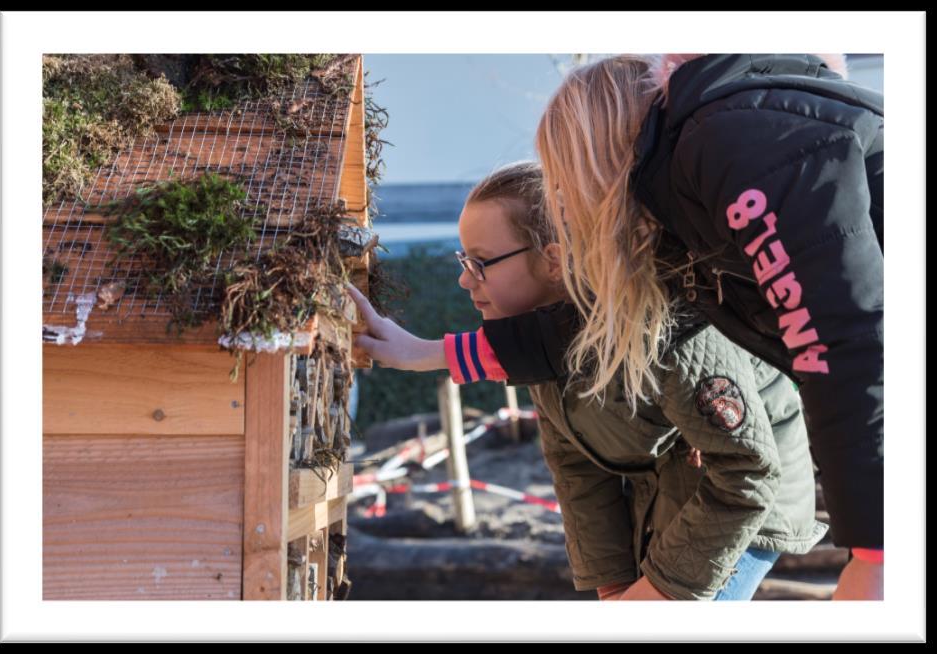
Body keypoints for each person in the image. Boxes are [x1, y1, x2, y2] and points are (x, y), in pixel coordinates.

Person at [353, 54, 883, 600]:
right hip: (685, 513)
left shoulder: (724, 166)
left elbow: (836, 357)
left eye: (568, 188)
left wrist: (874, 555)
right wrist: (612, 590)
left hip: (741, 512)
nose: (568, 209)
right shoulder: (651, 242)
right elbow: (574, 443)